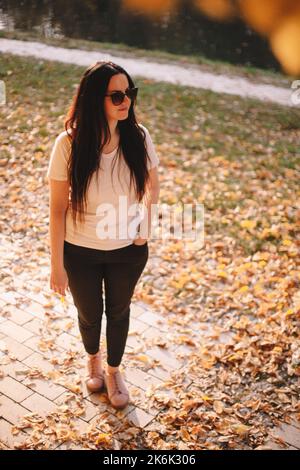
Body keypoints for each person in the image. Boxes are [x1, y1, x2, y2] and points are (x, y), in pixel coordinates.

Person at [46, 60, 160, 410]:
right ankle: (93, 358)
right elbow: (57, 208)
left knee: (120, 311)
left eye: (129, 93)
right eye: (116, 95)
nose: (125, 101)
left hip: (127, 250)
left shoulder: (138, 137)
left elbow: (153, 190)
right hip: (80, 251)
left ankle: (113, 370)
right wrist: (56, 266)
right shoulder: (68, 143)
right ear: (96, 99)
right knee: (89, 313)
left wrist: (143, 230)